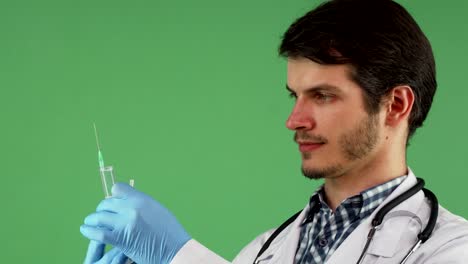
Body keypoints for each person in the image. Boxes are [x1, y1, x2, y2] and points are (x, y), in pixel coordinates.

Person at [80, 0, 468, 263]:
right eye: (294, 96)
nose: (295, 120)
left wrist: (180, 256)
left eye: (322, 96)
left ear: (396, 105)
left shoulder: (450, 248)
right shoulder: (264, 249)